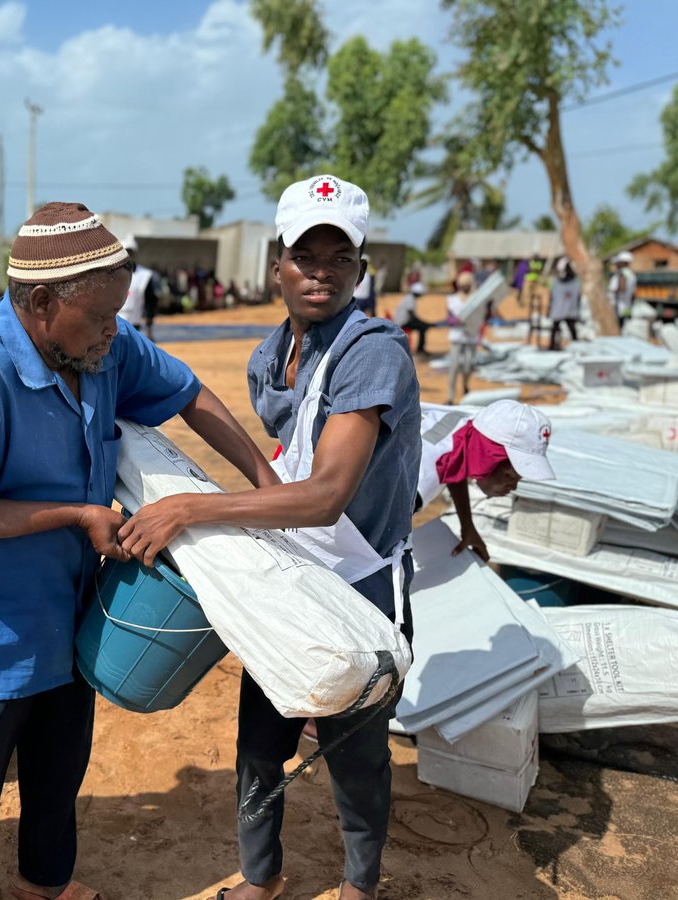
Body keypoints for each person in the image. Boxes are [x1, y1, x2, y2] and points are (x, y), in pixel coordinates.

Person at [0, 202, 278, 900]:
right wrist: (76, 514)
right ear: (42, 304)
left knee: (58, 770)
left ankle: (42, 885)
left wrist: (266, 481)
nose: (114, 330)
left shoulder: (102, 350)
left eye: (117, 314)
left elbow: (188, 393)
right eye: (101, 316)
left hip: (72, 614)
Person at [118, 174, 421, 900]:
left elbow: (325, 494)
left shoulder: (373, 352)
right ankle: (262, 877)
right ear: (277, 265)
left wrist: (192, 508)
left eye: (339, 259)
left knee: (354, 752)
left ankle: (359, 886)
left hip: (359, 576)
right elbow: (290, 461)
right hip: (292, 569)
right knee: (260, 742)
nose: (321, 273)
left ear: (360, 268)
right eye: (304, 257)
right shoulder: (270, 357)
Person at [416, 400, 556, 562]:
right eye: (509, 476)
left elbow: (455, 465)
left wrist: (467, 525)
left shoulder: (475, 425)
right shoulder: (418, 482)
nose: (513, 487)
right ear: (487, 456)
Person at [445, 271, 484, 404]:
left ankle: (465, 385)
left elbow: (483, 316)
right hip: (456, 337)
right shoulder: (452, 300)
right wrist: (457, 321)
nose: (465, 286)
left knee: (469, 364)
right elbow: (449, 318)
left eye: (467, 284)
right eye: (463, 284)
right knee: (454, 366)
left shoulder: (476, 300)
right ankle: (450, 397)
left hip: (471, 337)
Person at [119, 234, 159, 338]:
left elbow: (150, 302)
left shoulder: (144, 276)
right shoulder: (113, 275)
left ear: (134, 253)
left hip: (135, 325)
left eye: (130, 252)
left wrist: (149, 326)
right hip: (115, 326)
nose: (128, 255)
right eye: (125, 252)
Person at [548, 258, 581, 350]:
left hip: (566, 308)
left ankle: (577, 346)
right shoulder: (559, 282)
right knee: (557, 327)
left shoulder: (575, 281)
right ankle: (552, 345)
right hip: (563, 308)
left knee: (569, 328)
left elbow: (577, 295)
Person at [392, 281, 432, 355]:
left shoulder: (409, 298)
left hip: (402, 321)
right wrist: (424, 323)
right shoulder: (410, 299)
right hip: (402, 322)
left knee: (422, 326)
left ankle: (420, 349)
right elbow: (412, 317)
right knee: (422, 327)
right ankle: (420, 350)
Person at [609, 251, 637, 328]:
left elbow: (622, 288)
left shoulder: (622, 273)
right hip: (627, 307)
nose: (616, 264)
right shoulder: (632, 274)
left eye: (618, 262)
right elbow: (633, 294)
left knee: (618, 327)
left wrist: (612, 292)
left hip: (619, 307)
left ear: (622, 263)